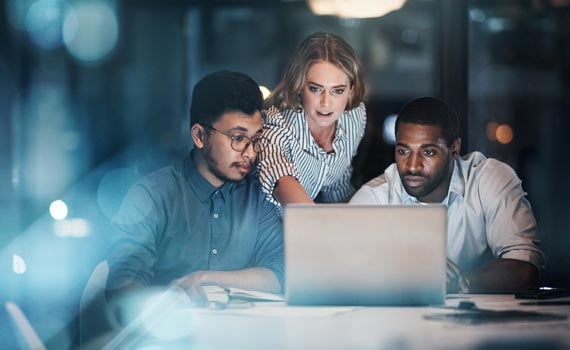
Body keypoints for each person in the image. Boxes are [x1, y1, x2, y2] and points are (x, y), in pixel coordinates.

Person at [106, 71, 284, 305]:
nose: (250, 152)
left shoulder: (258, 196)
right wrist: (167, 300)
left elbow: (280, 273)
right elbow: (122, 284)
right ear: (199, 135)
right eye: (238, 138)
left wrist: (207, 279)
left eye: (256, 139)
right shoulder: (151, 197)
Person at [350, 96, 544, 293]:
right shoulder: (373, 199)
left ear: (454, 149)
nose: (413, 166)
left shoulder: (488, 180)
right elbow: (345, 274)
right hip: (400, 322)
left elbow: (525, 268)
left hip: (481, 321)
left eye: (428, 153)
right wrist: (404, 272)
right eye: (403, 151)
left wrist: (457, 284)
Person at [257, 32, 367, 210]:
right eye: (316, 89)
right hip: (266, 230)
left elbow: (337, 185)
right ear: (300, 86)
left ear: (351, 90)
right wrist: (319, 227)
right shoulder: (276, 124)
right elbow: (280, 179)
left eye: (337, 91)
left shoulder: (354, 116)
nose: (326, 102)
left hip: (314, 226)